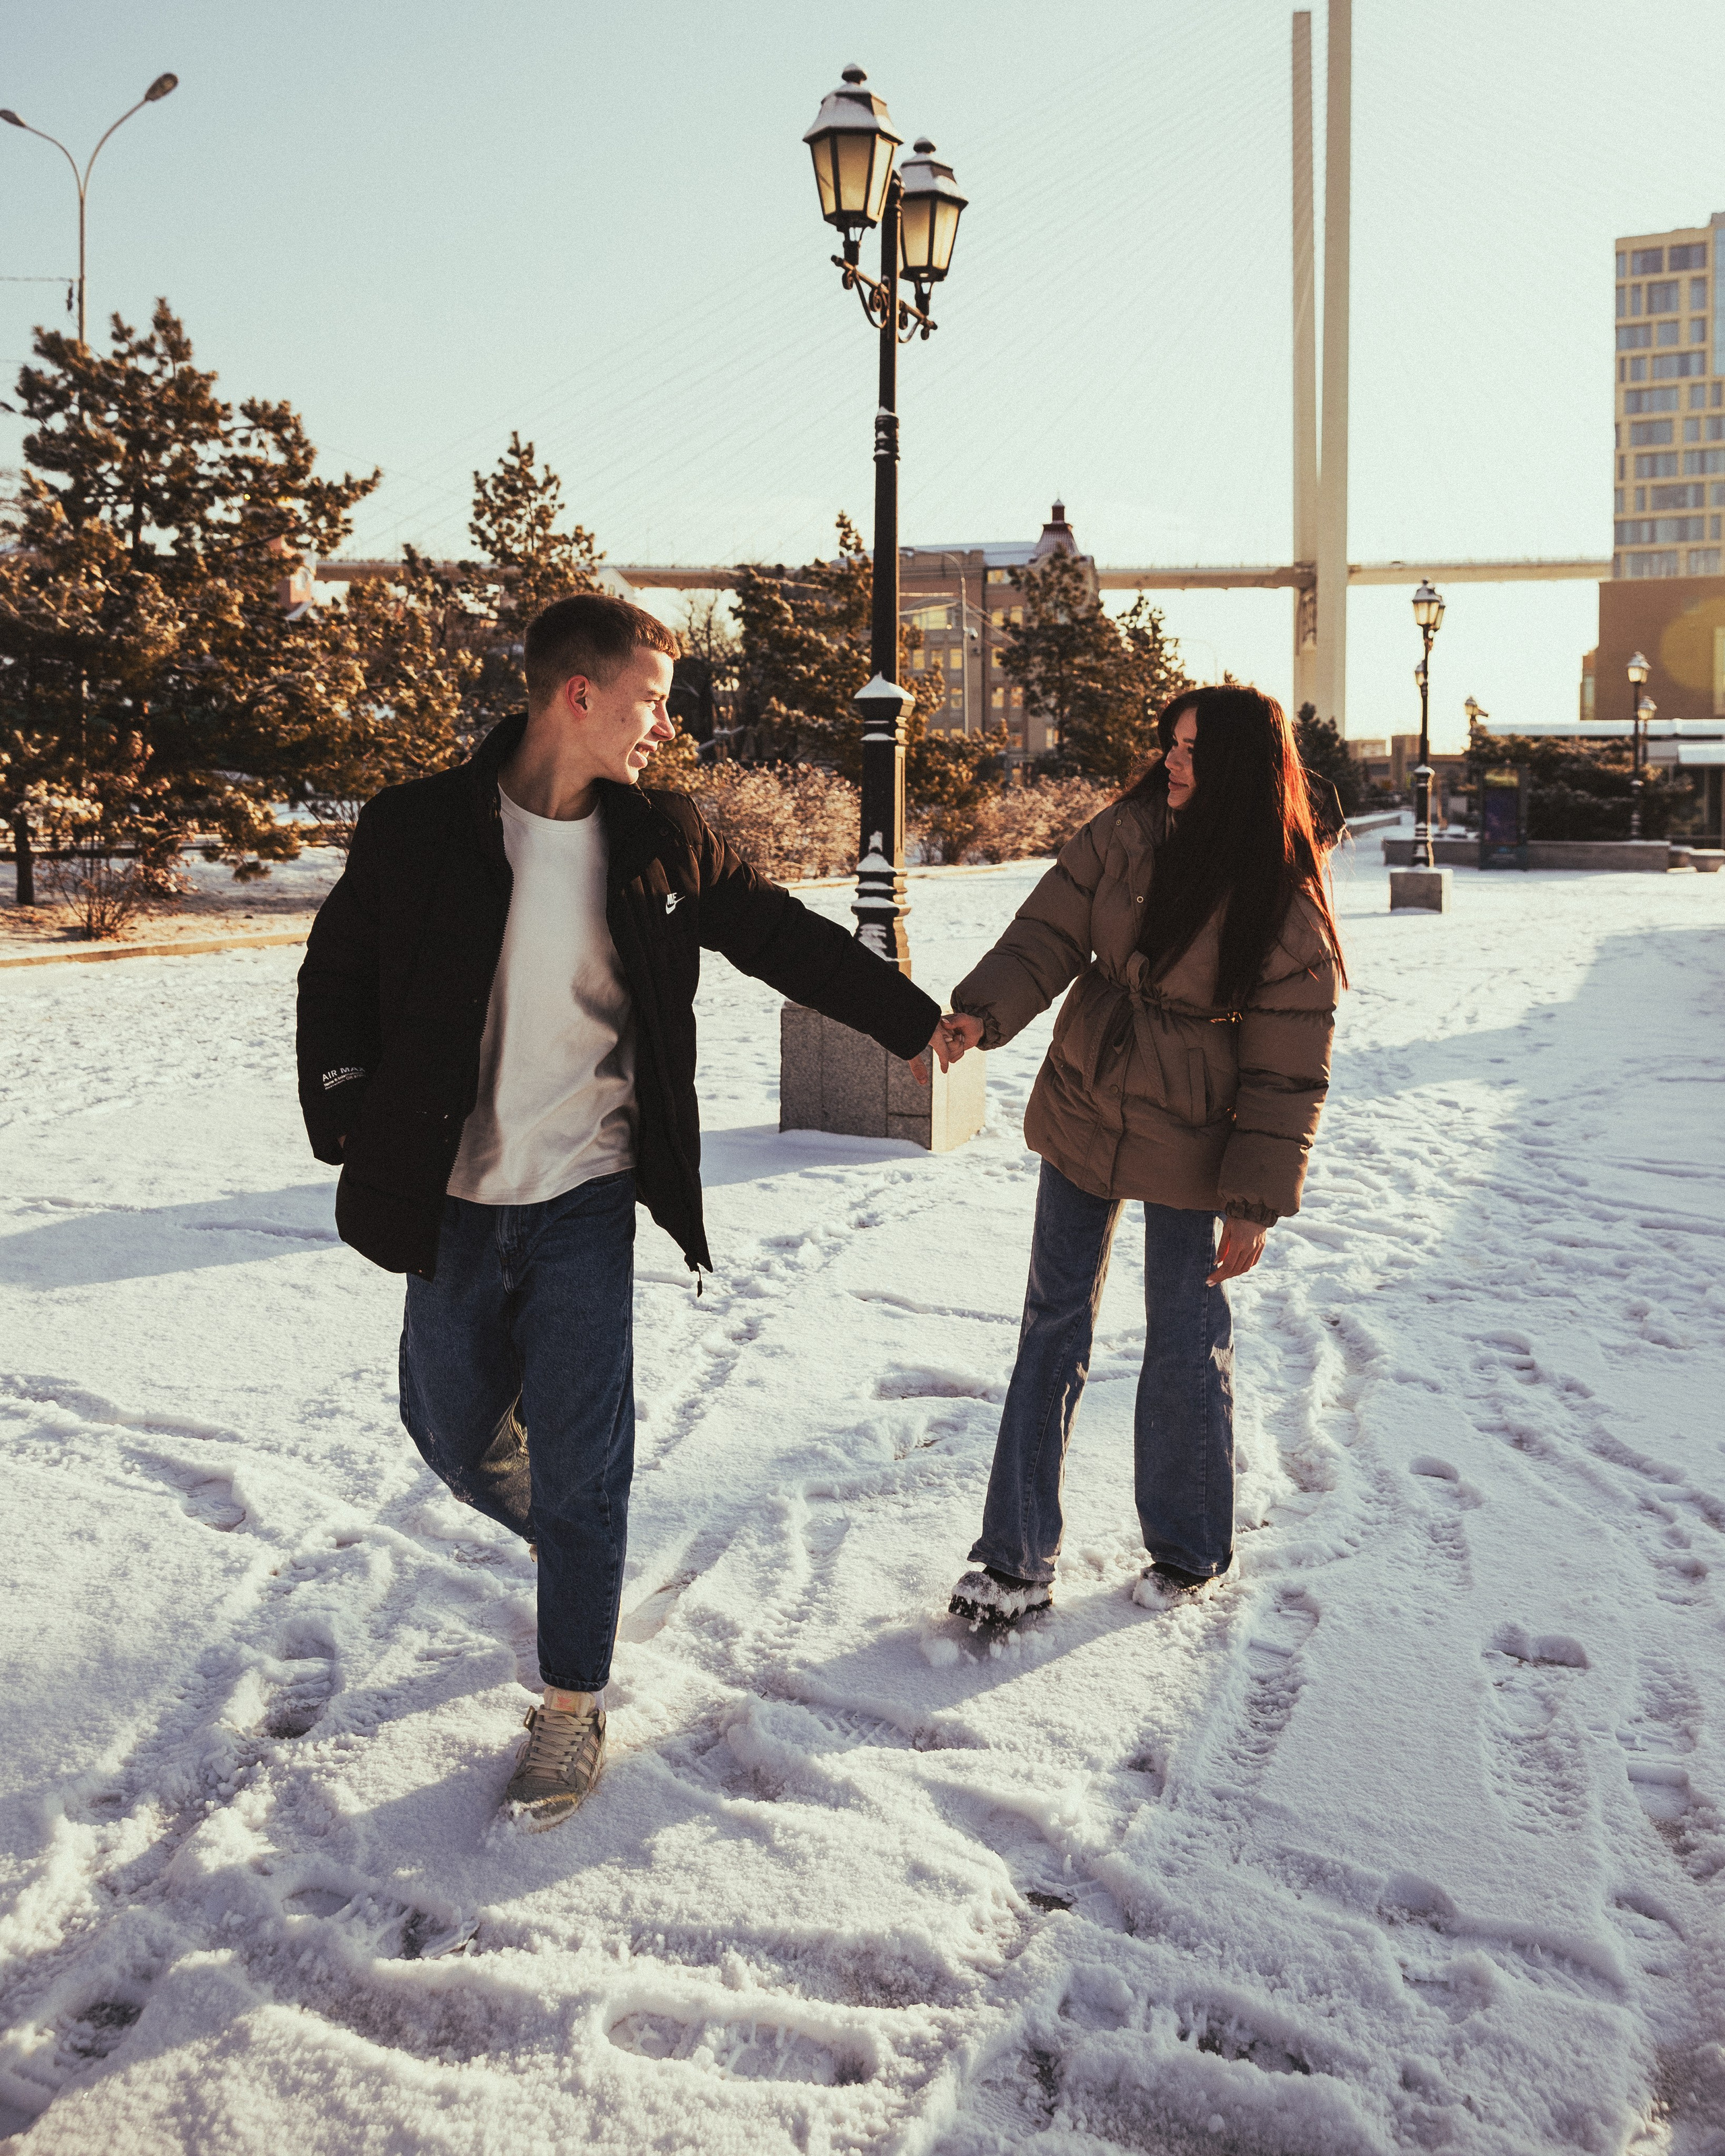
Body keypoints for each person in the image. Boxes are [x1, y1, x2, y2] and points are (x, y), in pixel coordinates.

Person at [296, 592, 953, 1829]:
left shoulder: (662, 835)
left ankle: (569, 1700)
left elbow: (776, 934)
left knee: (590, 1457)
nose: (668, 722)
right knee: (447, 1428)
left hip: (589, 1190)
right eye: (651, 699)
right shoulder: (420, 827)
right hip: (449, 1193)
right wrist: (348, 1115)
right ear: (575, 696)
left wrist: (910, 1023)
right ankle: (579, 1545)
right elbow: (333, 976)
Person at [937, 685, 1345, 1625]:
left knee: (1183, 1341)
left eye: (1194, 749)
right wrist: (983, 1010)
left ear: (1240, 766)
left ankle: (1192, 1547)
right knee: (1050, 1323)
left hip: (1197, 1132)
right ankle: (1013, 1561)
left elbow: (1289, 1068)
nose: (1172, 760)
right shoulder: (1125, 833)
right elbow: (1048, 931)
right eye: (1171, 742)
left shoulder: (1282, 902)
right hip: (1088, 1093)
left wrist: (1253, 1199)